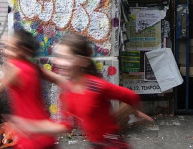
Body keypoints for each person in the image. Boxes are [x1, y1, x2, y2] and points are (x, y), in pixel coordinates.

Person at [8, 33, 153, 149]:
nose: (57, 62)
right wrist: (35, 128)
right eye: (57, 57)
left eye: (65, 58)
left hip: (114, 145)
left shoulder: (95, 86)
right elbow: (66, 125)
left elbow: (131, 96)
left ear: (83, 61)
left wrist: (131, 113)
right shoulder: (66, 92)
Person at [0, 30, 63, 149]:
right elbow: (60, 80)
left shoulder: (13, 68)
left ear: (22, 50)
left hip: (31, 137)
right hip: (45, 132)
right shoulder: (34, 66)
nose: (5, 51)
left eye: (10, 48)